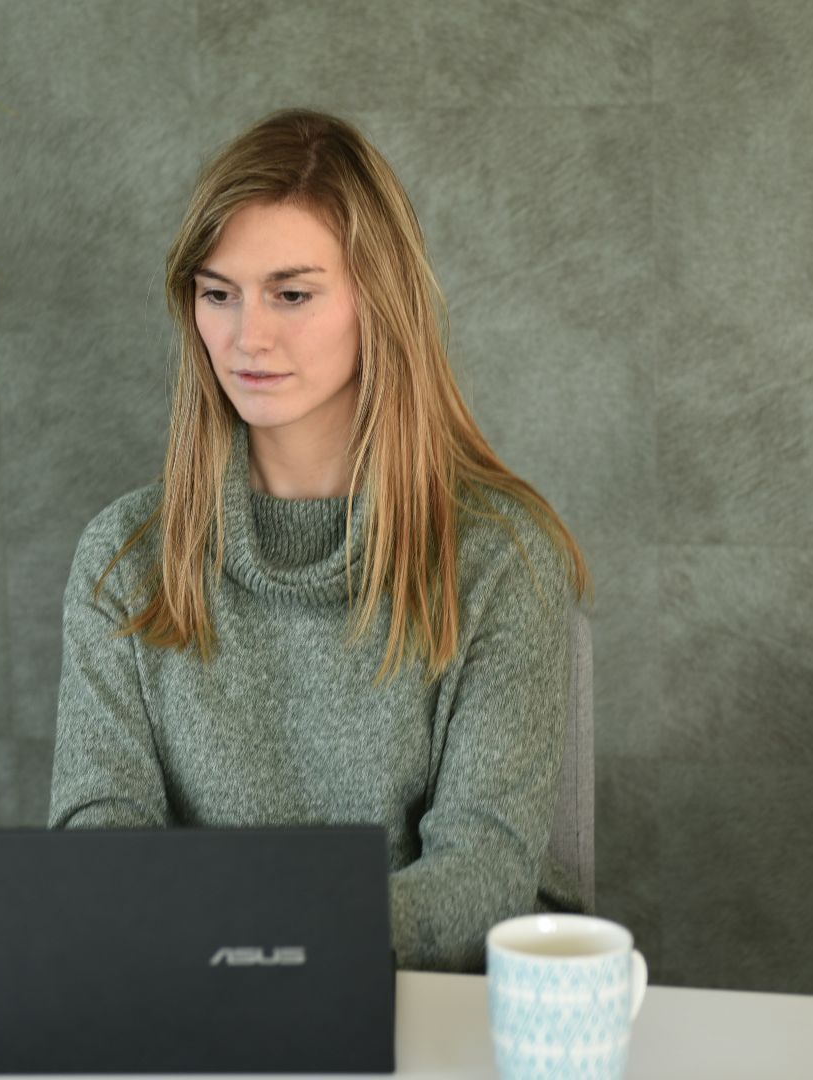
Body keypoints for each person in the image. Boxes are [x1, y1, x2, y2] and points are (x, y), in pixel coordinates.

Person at [46, 107, 593, 974]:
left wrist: (272, 941)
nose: (245, 336)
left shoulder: (502, 557)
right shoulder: (124, 555)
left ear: (380, 299)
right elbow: (96, 835)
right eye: (217, 292)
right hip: (192, 1016)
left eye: (292, 294)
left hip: (422, 1010)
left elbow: (483, 868)